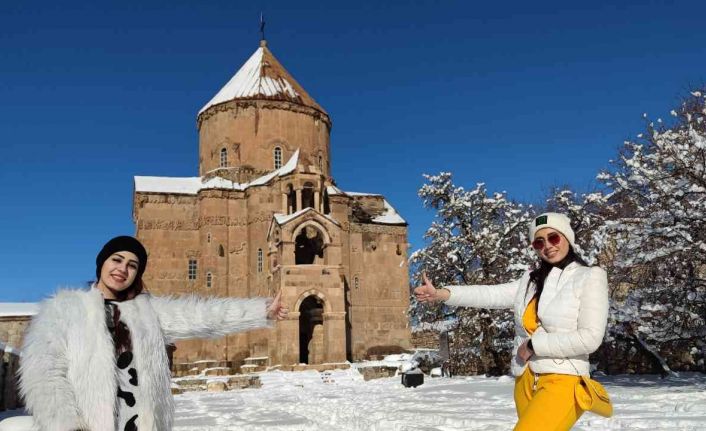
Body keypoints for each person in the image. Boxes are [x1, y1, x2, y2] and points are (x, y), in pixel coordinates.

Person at [16, 236, 288, 431]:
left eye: (132, 265)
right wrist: (66, 425)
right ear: (101, 264)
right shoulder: (65, 308)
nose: (123, 269)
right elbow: (42, 373)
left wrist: (261, 311)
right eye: (117, 259)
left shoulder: (147, 313)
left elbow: (203, 315)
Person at [414, 213, 609, 431]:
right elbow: (490, 295)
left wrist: (535, 345)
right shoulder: (530, 281)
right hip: (525, 379)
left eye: (554, 237)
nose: (548, 246)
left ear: (567, 237)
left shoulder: (589, 276)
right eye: (539, 241)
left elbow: (590, 337)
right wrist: (441, 294)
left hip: (564, 380)